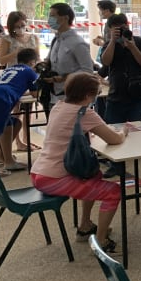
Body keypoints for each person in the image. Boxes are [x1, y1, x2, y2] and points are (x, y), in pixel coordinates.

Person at [30, 73, 128, 253]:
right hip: (55, 178)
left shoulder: (58, 107)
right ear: (87, 96)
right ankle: (100, 241)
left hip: (40, 172)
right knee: (113, 192)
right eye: (96, 94)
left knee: (93, 174)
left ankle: (85, 225)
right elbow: (113, 139)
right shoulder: (85, 113)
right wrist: (124, 132)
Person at [100, 13, 141, 178]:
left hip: (139, 95)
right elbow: (106, 62)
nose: (121, 30)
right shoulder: (109, 44)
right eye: (116, 28)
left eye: (123, 27)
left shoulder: (140, 42)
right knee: (113, 133)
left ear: (127, 25)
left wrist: (132, 47)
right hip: (116, 96)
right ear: (110, 29)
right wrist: (113, 42)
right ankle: (116, 166)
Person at [0, 48, 39, 172]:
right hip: (0, 99)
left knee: (11, 124)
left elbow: (14, 85)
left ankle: (8, 160)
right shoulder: (29, 71)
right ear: (32, 62)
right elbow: (35, 94)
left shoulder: (10, 69)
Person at [45, 3, 94, 105]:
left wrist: (64, 78)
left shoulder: (77, 42)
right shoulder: (56, 40)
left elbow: (87, 70)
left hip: (73, 98)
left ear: (65, 18)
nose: (50, 19)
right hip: (54, 96)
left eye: (53, 16)